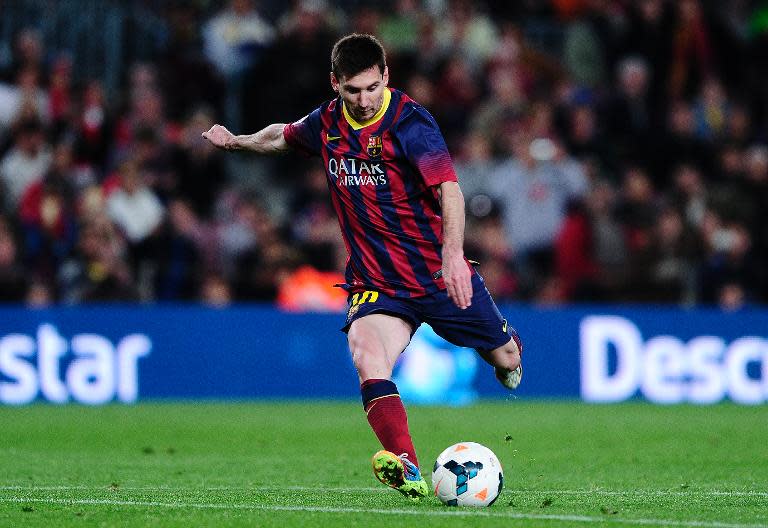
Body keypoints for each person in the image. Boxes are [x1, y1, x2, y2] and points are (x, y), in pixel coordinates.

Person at [202, 33, 523, 501]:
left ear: (386, 76)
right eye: (353, 90)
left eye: (372, 87)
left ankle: (508, 342)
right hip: (377, 281)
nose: (365, 99)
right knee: (366, 354)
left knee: (507, 362)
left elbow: (449, 190)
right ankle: (409, 467)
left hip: (435, 272)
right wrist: (237, 143)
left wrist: (454, 255)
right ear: (335, 83)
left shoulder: (412, 123)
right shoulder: (328, 122)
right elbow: (282, 136)